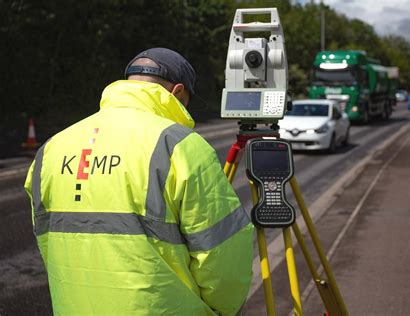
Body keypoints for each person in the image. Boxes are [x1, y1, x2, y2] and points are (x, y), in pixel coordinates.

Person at [24, 48, 254, 315]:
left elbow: (47, 243)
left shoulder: (53, 147)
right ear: (177, 93)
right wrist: (224, 309)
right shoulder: (180, 145)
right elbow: (222, 255)